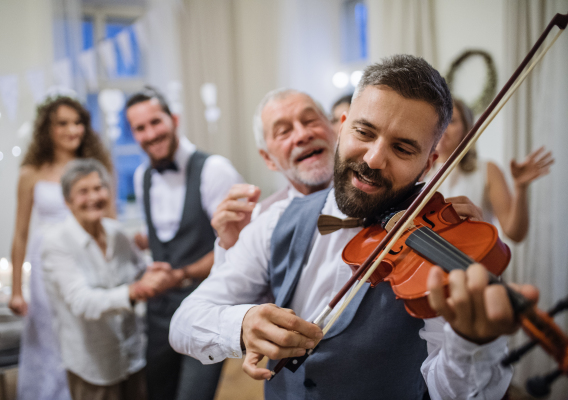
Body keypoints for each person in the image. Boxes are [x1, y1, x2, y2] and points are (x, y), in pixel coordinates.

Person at [169, 55, 539, 399]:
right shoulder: (275, 221)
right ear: (341, 128)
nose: (374, 159)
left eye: (403, 148)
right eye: (365, 132)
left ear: (430, 164)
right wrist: (241, 323)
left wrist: (471, 344)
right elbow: (184, 322)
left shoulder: (443, 252)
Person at [126, 86, 244, 400]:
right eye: (140, 128)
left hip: (206, 308)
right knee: (158, 392)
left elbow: (238, 246)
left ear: (174, 119)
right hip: (159, 311)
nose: (150, 133)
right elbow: (163, 233)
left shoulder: (214, 170)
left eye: (156, 122)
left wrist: (181, 274)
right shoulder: (142, 177)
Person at [9, 95, 114, 400]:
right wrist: (17, 289)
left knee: (85, 332)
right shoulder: (31, 173)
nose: (73, 130)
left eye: (79, 122)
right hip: (46, 267)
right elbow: (20, 233)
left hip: (86, 256)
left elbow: (109, 223)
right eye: (63, 123)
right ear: (48, 129)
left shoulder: (97, 166)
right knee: (50, 338)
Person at [42, 159, 174, 400]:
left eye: (99, 188)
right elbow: (82, 301)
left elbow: (139, 272)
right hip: (93, 365)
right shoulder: (56, 243)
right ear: (67, 201)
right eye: (83, 191)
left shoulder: (118, 233)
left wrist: (157, 273)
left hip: (132, 357)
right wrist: (133, 291)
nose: (94, 196)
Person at [211, 88, 337, 254]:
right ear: (268, 159)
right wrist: (233, 247)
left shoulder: (373, 193)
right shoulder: (260, 220)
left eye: (310, 121)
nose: (302, 135)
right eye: (284, 132)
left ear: (333, 129)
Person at [428, 97, 554, 242]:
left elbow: (515, 234)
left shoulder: (487, 170)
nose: (442, 127)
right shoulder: (421, 176)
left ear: (466, 129)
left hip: (478, 261)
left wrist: (520, 188)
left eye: (451, 121)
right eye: (438, 121)